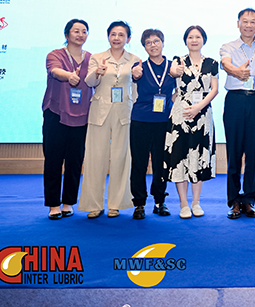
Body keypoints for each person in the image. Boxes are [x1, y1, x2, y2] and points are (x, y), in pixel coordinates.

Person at [80, 20, 138, 219]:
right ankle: (94, 205)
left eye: (121, 35)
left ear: (128, 39)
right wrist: (97, 73)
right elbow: (89, 82)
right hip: (100, 111)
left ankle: (116, 204)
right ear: (108, 37)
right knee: (95, 158)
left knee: (121, 158)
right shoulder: (97, 58)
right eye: (113, 34)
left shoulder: (135, 60)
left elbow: (136, 89)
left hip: (124, 113)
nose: (116, 38)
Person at [220, 8, 255, 220]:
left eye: (253, 21)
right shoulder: (228, 46)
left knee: (253, 153)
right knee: (233, 153)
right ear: (238, 23)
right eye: (245, 21)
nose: (249, 25)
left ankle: (249, 200)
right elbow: (225, 63)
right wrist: (236, 71)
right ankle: (234, 201)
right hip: (235, 100)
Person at [165, 25, 219, 219]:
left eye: (197, 37)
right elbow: (173, 73)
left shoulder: (212, 63)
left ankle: (196, 203)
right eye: (190, 37)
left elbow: (214, 89)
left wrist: (199, 107)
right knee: (180, 157)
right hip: (180, 114)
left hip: (202, 114)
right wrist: (175, 71)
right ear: (185, 40)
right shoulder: (178, 61)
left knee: (198, 157)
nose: (194, 40)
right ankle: (183, 204)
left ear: (203, 40)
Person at [42, 19, 92, 220]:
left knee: (75, 161)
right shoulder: (55, 55)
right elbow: (54, 71)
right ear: (66, 34)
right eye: (76, 31)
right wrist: (68, 75)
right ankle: (53, 204)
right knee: (53, 160)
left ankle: (68, 202)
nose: (80, 35)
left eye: (84, 31)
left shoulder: (91, 58)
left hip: (82, 117)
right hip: (57, 113)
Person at [129, 28, 175, 220]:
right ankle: (139, 203)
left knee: (161, 163)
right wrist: (134, 74)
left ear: (163, 43)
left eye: (156, 41)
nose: (153, 45)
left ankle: (159, 201)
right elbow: (133, 77)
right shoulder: (139, 66)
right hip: (140, 120)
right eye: (148, 43)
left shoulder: (173, 66)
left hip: (163, 121)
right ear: (144, 47)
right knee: (139, 163)